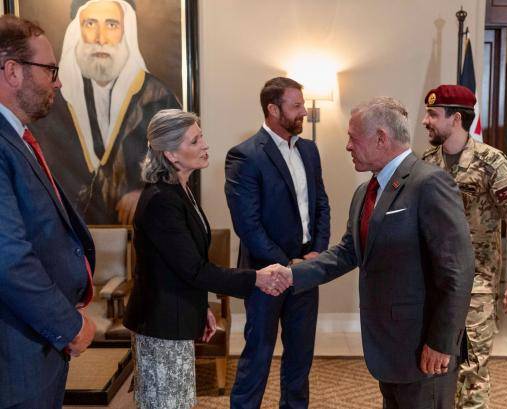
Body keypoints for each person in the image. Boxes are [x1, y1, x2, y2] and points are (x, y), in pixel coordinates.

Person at [274, 96, 474, 409]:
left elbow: (457, 271)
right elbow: (348, 252)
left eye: (353, 138)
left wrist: (442, 342)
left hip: (423, 346)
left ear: (381, 138)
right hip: (389, 346)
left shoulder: (429, 183)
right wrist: (290, 274)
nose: (348, 146)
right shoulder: (365, 192)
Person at [123, 109, 289, 409]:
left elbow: (182, 265)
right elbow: (194, 270)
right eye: (195, 141)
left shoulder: (179, 190)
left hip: (174, 320)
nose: (205, 145)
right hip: (162, 327)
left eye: (201, 137)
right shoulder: (161, 200)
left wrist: (201, 308)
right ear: (171, 154)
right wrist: (256, 278)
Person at [0, 15, 96, 408]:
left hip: (34, 341)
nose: (56, 82)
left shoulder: (18, 137)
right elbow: (8, 257)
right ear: (12, 72)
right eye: (49, 70)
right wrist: (68, 326)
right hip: (16, 350)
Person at [225, 77, 331, 409]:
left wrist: (316, 253)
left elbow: (321, 204)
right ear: (273, 109)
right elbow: (248, 225)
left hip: (306, 269)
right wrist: (286, 266)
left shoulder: (309, 150)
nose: (304, 112)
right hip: (265, 274)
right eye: (296, 106)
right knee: (257, 357)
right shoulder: (244, 156)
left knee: (300, 359)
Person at [421, 84, 507, 409]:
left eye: (433, 114)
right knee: (433, 368)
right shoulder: (426, 162)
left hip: (476, 284)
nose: (426, 121)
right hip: (432, 284)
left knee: (472, 371)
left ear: (456, 119)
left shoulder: (491, 162)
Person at [29, 0, 180, 225]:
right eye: (90, 24)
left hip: (141, 234)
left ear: (126, 31)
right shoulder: (51, 100)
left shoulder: (158, 97)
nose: (100, 38)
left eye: (111, 25)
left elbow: (182, 161)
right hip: (66, 234)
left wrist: (148, 195)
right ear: (77, 30)